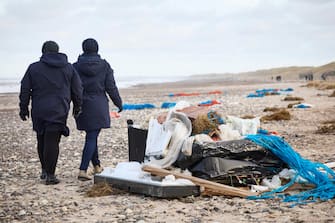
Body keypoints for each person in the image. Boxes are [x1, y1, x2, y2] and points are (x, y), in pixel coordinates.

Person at [19, 41, 83, 185]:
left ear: (43, 52)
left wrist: (23, 108)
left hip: (39, 109)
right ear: (58, 51)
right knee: (52, 141)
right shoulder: (68, 68)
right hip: (59, 109)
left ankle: (44, 170)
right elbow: (77, 89)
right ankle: (50, 174)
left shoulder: (34, 68)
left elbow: (25, 89)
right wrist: (77, 106)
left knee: (41, 139)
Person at [73, 38, 123, 181]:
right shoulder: (105, 66)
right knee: (92, 136)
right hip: (99, 104)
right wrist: (118, 102)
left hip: (82, 104)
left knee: (92, 134)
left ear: (83, 49)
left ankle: (97, 166)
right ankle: (83, 170)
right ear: (97, 49)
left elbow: (71, 87)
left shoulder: (75, 66)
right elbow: (111, 87)